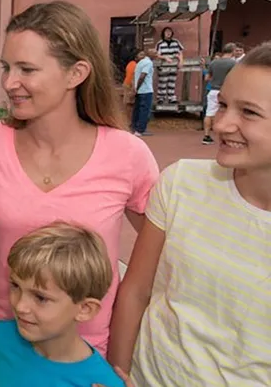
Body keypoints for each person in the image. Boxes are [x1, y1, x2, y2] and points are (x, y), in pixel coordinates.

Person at [0, 1, 160, 358]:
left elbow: (155, 264)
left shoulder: (127, 155)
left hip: (86, 353)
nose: (10, 83)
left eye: (27, 69)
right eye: (6, 67)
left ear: (77, 73)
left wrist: (119, 361)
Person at [108, 42, 271, 386]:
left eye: (249, 112)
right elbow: (136, 291)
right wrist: (116, 374)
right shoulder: (182, 182)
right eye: (223, 105)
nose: (223, 124)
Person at [0, 222, 124, 387]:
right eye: (16, 286)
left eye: (40, 297)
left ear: (85, 309)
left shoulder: (102, 382)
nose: (20, 306)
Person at [202, 42, 237, 145]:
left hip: (213, 90)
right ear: (233, 51)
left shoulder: (214, 62)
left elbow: (207, 78)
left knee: (209, 113)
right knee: (226, 113)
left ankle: (206, 135)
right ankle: (225, 136)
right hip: (225, 91)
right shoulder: (233, 64)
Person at [131, 48, 156, 137]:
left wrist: (135, 88)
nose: (156, 55)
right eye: (154, 53)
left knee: (137, 110)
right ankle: (140, 130)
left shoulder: (140, 63)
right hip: (146, 90)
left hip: (140, 91)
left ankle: (134, 127)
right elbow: (142, 76)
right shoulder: (148, 63)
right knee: (144, 110)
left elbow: (135, 76)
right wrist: (137, 87)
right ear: (149, 54)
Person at [154, 27, 183, 104]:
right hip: (163, 65)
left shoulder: (176, 42)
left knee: (172, 81)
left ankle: (171, 98)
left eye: (170, 32)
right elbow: (157, 55)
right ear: (163, 33)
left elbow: (180, 52)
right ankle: (161, 98)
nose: (168, 33)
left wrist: (181, 61)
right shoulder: (160, 43)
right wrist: (165, 57)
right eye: (166, 32)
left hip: (173, 65)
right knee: (162, 82)